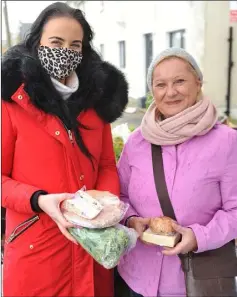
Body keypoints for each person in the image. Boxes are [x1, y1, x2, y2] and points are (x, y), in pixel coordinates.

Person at [1, 2, 128, 297]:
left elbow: (107, 165)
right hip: (38, 252)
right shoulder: (11, 103)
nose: (65, 53)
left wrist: (106, 203)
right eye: (56, 43)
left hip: (92, 248)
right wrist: (38, 200)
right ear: (37, 43)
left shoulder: (96, 104)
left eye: (75, 45)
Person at [116, 48, 237, 297]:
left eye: (179, 81)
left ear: (198, 82)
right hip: (138, 278)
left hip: (195, 281)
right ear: (153, 91)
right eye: (161, 84)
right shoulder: (137, 142)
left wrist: (199, 237)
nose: (170, 92)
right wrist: (130, 220)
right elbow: (120, 197)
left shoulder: (227, 141)